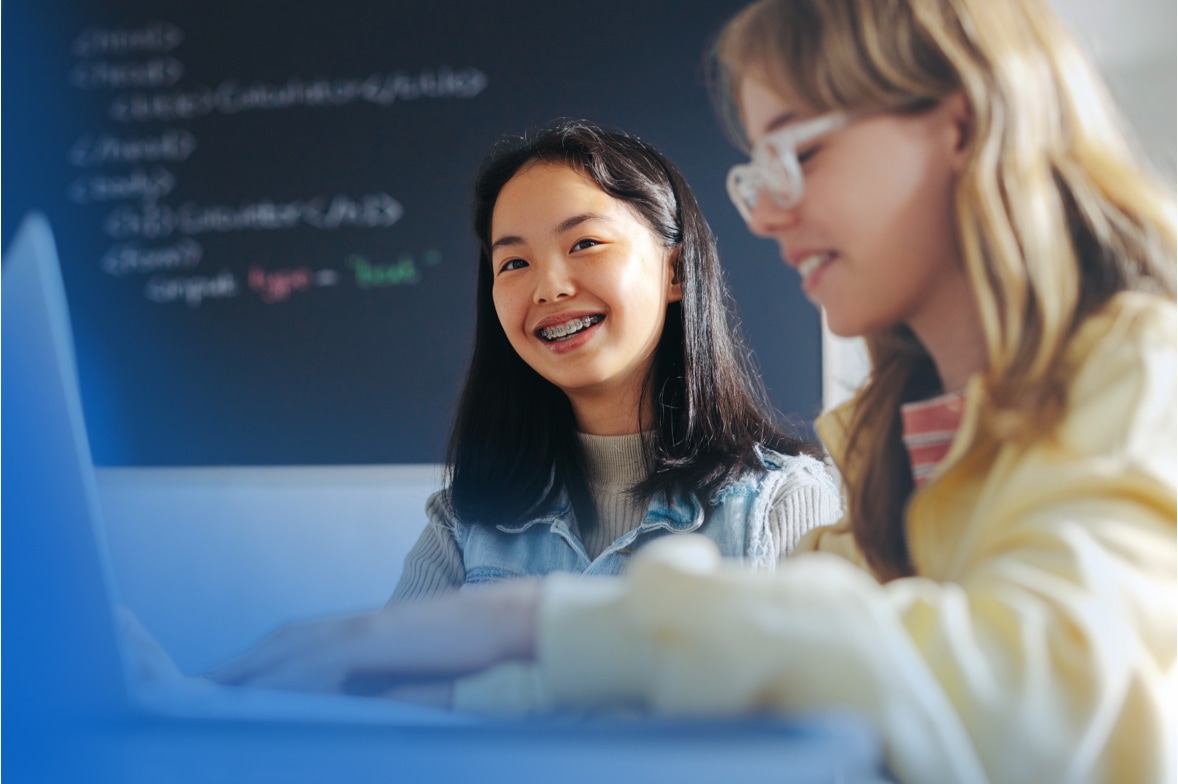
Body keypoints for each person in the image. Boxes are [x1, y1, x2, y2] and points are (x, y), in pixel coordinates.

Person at [211, 0, 1176, 781]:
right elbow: (793, 683)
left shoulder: (1145, 367)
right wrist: (250, 696)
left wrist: (530, 620)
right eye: (760, 170)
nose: (770, 214)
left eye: (802, 151)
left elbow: (1041, 701)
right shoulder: (898, 432)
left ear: (959, 124)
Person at [390, 119, 839, 609]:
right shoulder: (464, 520)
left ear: (676, 271)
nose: (549, 288)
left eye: (584, 244)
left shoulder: (781, 501)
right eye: (514, 263)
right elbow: (378, 679)